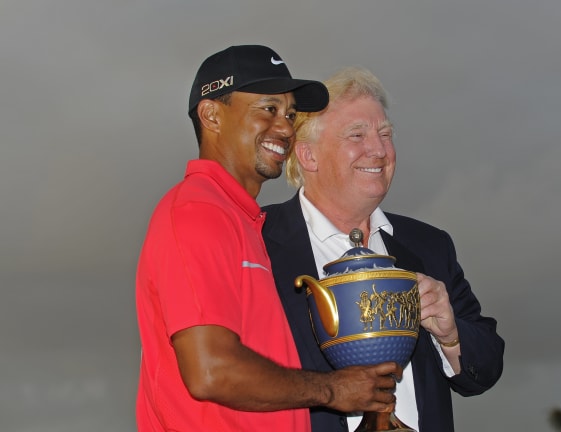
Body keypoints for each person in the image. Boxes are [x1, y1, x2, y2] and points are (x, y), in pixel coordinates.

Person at [135, 46, 403, 432]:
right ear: (211, 115)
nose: (286, 128)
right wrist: (332, 390)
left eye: (290, 115)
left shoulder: (244, 222)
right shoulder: (197, 211)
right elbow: (211, 371)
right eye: (268, 109)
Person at [262, 67, 505, 432]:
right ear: (308, 156)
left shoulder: (429, 245)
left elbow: (486, 369)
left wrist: (451, 335)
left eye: (386, 134)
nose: (379, 150)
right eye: (357, 135)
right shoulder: (256, 240)